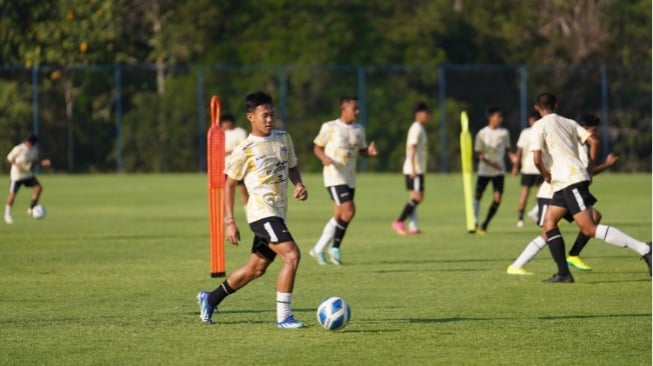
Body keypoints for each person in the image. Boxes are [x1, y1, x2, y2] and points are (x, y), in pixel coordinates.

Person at [197, 91, 309, 328]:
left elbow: (293, 166)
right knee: (292, 255)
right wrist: (229, 221)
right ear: (251, 117)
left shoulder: (283, 138)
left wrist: (298, 183)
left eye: (272, 115)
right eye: (264, 115)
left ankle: (211, 298)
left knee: (255, 269)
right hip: (261, 212)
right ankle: (284, 317)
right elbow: (229, 185)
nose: (269, 120)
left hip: (277, 213)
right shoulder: (244, 149)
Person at [528, 92, 650, 283]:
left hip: (569, 180)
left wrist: (545, 174)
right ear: (556, 105)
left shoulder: (539, 126)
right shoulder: (568, 122)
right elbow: (594, 141)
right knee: (549, 222)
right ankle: (563, 273)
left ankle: (646, 249)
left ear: (537, 108)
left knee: (589, 229)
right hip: (564, 181)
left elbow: (536, 159)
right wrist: (590, 166)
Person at [506, 113, 621, 275]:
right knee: (549, 232)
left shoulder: (573, 142)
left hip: (562, 189)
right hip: (552, 192)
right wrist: (606, 165)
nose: (594, 134)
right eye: (593, 130)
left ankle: (571, 258)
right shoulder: (579, 146)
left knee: (593, 218)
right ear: (585, 129)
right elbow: (587, 172)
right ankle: (518, 266)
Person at [309, 96, 378, 265]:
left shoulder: (359, 129)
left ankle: (318, 249)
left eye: (358, 108)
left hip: (350, 177)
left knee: (339, 216)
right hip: (334, 176)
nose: (357, 111)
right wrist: (324, 158)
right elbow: (317, 147)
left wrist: (369, 152)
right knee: (349, 211)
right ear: (344, 109)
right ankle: (335, 247)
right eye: (354, 108)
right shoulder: (330, 127)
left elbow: (361, 151)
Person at [391, 102, 430, 235]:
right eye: (426, 113)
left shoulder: (420, 128)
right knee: (417, 197)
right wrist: (413, 168)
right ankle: (399, 221)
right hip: (415, 169)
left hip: (417, 168)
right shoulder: (416, 128)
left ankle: (413, 226)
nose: (428, 116)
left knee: (414, 197)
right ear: (418, 114)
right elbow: (412, 148)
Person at [473, 107, 512, 235]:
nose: (500, 119)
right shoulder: (482, 133)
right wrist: (491, 164)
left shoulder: (504, 133)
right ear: (490, 118)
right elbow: (478, 154)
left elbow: (507, 150)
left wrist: (513, 158)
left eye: (501, 117)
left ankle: (485, 224)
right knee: (478, 195)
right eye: (498, 116)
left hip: (499, 173)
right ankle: (474, 219)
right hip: (484, 171)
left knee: (497, 199)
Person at [4, 134, 51, 224]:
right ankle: (7, 214)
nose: (29, 145)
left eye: (31, 144)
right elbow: (9, 158)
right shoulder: (18, 149)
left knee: (38, 188)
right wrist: (16, 165)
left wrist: (42, 163)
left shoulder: (33, 150)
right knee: (13, 194)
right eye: (28, 143)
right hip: (16, 176)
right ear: (26, 142)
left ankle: (31, 209)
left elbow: (33, 162)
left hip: (27, 174)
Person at [511, 111, 543, 228]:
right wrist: (516, 166)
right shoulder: (527, 133)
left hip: (536, 168)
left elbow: (519, 151)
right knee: (530, 194)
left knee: (538, 194)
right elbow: (519, 151)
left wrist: (515, 167)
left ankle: (531, 215)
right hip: (531, 168)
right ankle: (524, 217)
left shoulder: (536, 132)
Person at [221, 113, 249, 206]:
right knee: (226, 191)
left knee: (243, 190)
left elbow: (242, 147)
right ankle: (226, 217)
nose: (224, 124)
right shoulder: (221, 133)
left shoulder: (239, 132)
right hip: (225, 166)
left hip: (238, 164)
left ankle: (248, 211)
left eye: (225, 122)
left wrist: (228, 151)